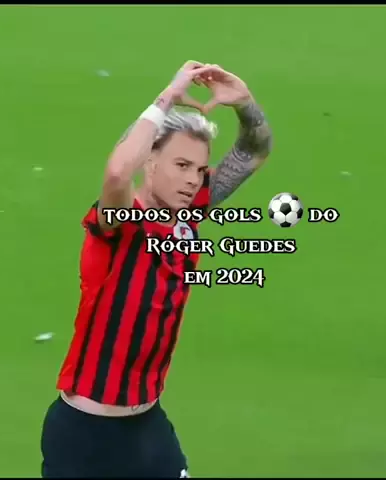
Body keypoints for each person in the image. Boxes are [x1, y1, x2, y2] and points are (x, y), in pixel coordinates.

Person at [40, 60, 273, 478]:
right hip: (85, 436)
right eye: (181, 165)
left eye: (199, 169)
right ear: (149, 162)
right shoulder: (119, 224)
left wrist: (244, 103)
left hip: (148, 428)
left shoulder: (188, 214)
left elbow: (254, 151)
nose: (193, 180)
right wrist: (167, 97)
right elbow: (117, 172)